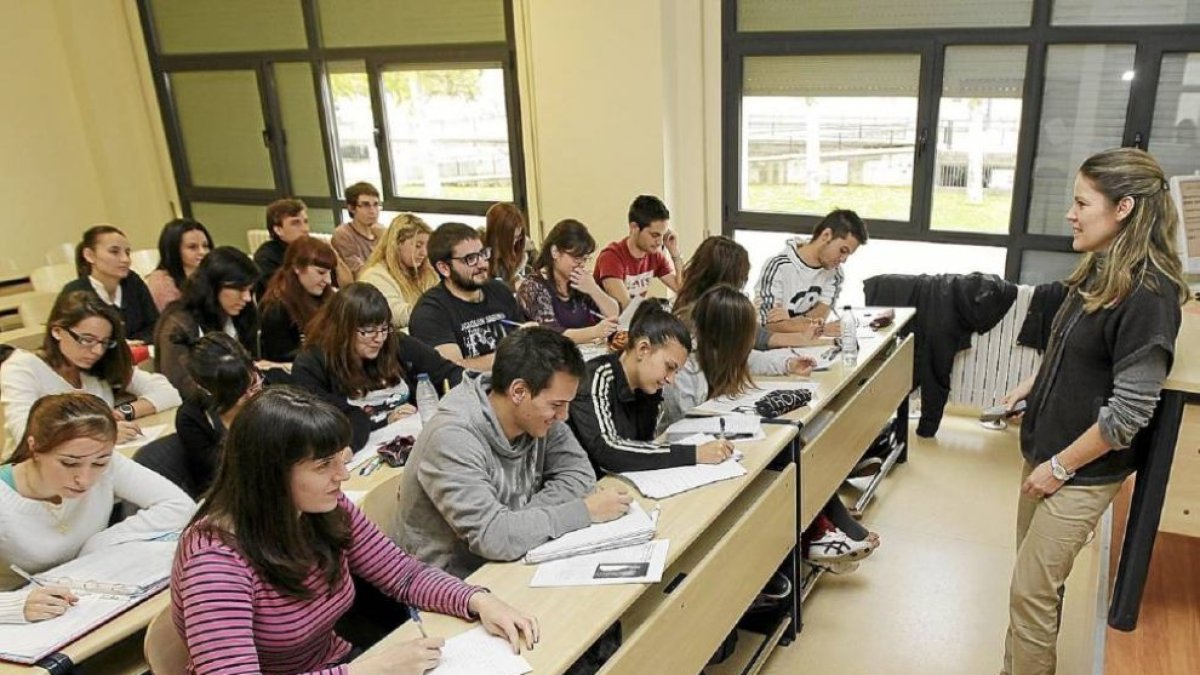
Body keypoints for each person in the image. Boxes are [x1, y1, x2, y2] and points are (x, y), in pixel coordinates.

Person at [171, 386, 536, 674]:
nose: (342, 476)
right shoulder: (215, 564)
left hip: (338, 663)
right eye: (323, 465)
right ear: (270, 473)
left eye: (340, 460)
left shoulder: (321, 508)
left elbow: (403, 575)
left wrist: (478, 599)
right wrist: (365, 671)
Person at [997, 148, 1188, 675]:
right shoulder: (1101, 268)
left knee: (1032, 593)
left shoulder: (1151, 294)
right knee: (1030, 589)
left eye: (1082, 202)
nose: (1070, 214)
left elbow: (1130, 412)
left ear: (1123, 207)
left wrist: (1059, 468)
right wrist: (1031, 387)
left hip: (1078, 473)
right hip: (1046, 457)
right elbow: (1068, 344)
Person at [395, 327, 629, 578]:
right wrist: (583, 512)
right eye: (556, 405)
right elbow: (493, 539)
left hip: (513, 557)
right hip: (447, 584)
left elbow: (580, 475)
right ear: (518, 391)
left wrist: (516, 526)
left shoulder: (538, 415)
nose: (563, 416)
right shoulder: (452, 437)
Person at [0, 393, 195, 623]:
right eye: (69, 463)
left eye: (99, 463)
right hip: (31, 616)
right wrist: (15, 605)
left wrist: (100, 542)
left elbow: (180, 506)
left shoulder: (105, 462)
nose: (84, 478)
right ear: (35, 448)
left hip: (89, 597)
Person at [292, 283, 463, 452]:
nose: (379, 339)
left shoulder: (396, 343)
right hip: (359, 452)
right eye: (368, 331)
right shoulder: (312, 365)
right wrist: (385, 420)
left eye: (384, 328)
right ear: (342, 329)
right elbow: (326, 424)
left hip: (414, 442)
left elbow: (451, 373)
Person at [567, 301, 733, 473]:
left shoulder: (649, 388)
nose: (671, 380)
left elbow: (643, 446)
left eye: (676, 372)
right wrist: (695, 454)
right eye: (669, 367)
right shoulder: (597, 376)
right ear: (643, 349)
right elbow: (609, 451)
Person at [1, 291, 181, 447]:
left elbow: (168, 393)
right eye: (87, 339)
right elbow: (26, 434)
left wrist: (120, 413)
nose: (97, 351)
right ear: (57, 331)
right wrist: (99, 430)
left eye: (104, 342)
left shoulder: (99, 364)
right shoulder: (22, 367)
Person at [660, 285, 815, 430]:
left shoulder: (717, 349)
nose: (752, 340)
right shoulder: (684, 370)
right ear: (729, 336)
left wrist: (788, 364)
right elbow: (682, 427)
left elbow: (751, 359)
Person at [408, 222, 524, 371]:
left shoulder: (500, 291)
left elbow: (521, 337)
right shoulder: (430, 312)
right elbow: (452, 369)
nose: (482, 264)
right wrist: (514, 356)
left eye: (483, 254)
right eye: (471, 259)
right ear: (444, 268)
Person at [673, 236, 821, 349]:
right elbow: (744, 349)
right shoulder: (699, 314)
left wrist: (802, 338)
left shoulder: (705, 302)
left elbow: (758, 336)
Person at [154, 246, 260, 400]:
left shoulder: (239, 315)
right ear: (213, 285)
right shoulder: (179, 322)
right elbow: (180, 385)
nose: (247, 298)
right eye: (240, 289)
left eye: (250, 290)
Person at [174, 333, 263, 497]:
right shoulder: (193, 418)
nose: (251, 395)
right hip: (229, 495)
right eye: (237, 392)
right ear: (207, 389)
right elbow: (221, 471)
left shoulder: (269, 392)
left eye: (253, 383)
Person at [755, 209, 868, 337]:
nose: (844, 260)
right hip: (775, 347)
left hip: (809, 343)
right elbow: (769, 324)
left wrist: (790, 318)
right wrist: (820, 328)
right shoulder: (778, 266)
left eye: (848, 254)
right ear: (826, 235)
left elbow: (821, 314)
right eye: (842, 250)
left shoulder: (835, 273)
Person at [516, 218, 619, 344]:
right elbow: (552, 334)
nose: (581, 265)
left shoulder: (578, 282)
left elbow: (614, 313)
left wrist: (594, 290)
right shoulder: (533, 286)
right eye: (576, 258)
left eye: (585, 259)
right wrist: (595, 331)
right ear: (555, 252)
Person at [58, 225, 159, 343]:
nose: (125, 259)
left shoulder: (133, 281)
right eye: (114, 252)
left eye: (127, 252)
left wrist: (139, 342)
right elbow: (70, 340)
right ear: (89, 255)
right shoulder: (74, 292)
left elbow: (155, 325)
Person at [593, 195, 683, 309]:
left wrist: (674, 252)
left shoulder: (654, 255)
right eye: (654, 235)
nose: (660, 242)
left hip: (635, 321)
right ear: (634, 227)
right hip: (609, 324)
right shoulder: (611, 257)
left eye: (662, 235)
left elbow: (681, 290)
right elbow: (625, 307)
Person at [259, 236, 337, 362]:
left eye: (330, 273)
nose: (328, 280)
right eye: (321, 273)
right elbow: (282, 358)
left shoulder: (326, 296)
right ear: (297, 268)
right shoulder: (276, 310)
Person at [358, 213, 439, 328]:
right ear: (397, 244)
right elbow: (396, 316)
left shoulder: (427, 272)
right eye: (418, 245)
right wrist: (440, 310)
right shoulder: (375, 276)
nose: (424, 253)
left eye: (427, 247)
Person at [144, 218, 214, 312]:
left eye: (205, 246)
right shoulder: (161, 280)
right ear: (174, 250)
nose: (202, 252)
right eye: (192, 247)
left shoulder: (209, 274)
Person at [253, 198, 310, 296]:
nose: (305, 229)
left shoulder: (308, 249)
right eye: (295, 223)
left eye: (306, 221)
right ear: (278, 230)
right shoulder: (266, 258)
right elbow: (283, 294)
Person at [331, 182, 385, 278]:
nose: (372, 211)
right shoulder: (343, 234)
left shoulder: (381, 231)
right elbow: (360, 275)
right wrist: (383, 242)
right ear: (351, 208)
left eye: (376, 205)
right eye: (366, 205)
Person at [483, 202, 532, 291]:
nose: (515, 242)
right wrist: (512, 286)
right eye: (513, 238)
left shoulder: (522, 251)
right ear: (497, 236)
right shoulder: (480, 256)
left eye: (519, 237)